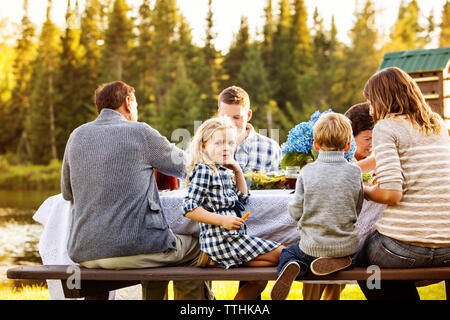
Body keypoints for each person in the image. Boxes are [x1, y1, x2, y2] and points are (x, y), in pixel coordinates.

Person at [61, 81, 212, 300]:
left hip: (85, 253)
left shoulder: (76, 135)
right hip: (133, 249)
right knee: (198, 246)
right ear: (128, 102)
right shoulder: (139, 132)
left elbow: (67, 193)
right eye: (137, 103)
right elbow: (187, 166)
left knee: (158, 245)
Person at [357, 67, 450, 300]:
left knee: (361, 261)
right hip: (448, 246)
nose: (370, 109)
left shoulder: (386, 127)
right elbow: (396, 155)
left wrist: (362, 190)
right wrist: (350, 169)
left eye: (371, 102)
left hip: (404, 249)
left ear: (383, 99)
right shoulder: (436, 124)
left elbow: (391, 194)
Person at [182, 116, 284, 299]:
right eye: (219, 143)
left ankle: (223, 264)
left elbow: (242, 199)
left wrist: (237, 170)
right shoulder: (205, 170)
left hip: (234, 238)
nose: (226, 148)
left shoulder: (222, 171)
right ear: (204, 146)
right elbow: (189, 208)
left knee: (260, 279)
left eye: (230, 143)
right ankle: (215, 258)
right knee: (283, 254)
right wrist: (223, 220)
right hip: (221, 241)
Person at [270, 112, 364, 300]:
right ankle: (342, 261)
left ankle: (293, 266)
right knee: (359, 254)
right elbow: (357, 206)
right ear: (347, 146)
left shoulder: (307, 172)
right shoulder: (355, 172)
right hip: (346, 247)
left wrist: (299, 215)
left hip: (312, 247)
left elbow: (296, 209)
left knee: (288, 253)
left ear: (315, 145)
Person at [217, 86, 281, 173]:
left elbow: (281, 185)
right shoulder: (204, 148)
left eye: (237, 117)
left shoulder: (271, 149)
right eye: (225, 117)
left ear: (248, 115)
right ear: (218, 114)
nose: (230, 123)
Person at [345, 102, 376, 173]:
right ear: (350, 138)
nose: (372, 143)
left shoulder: (375, 154)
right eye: (367, 139)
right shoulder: (341, 160)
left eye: (375, 138)